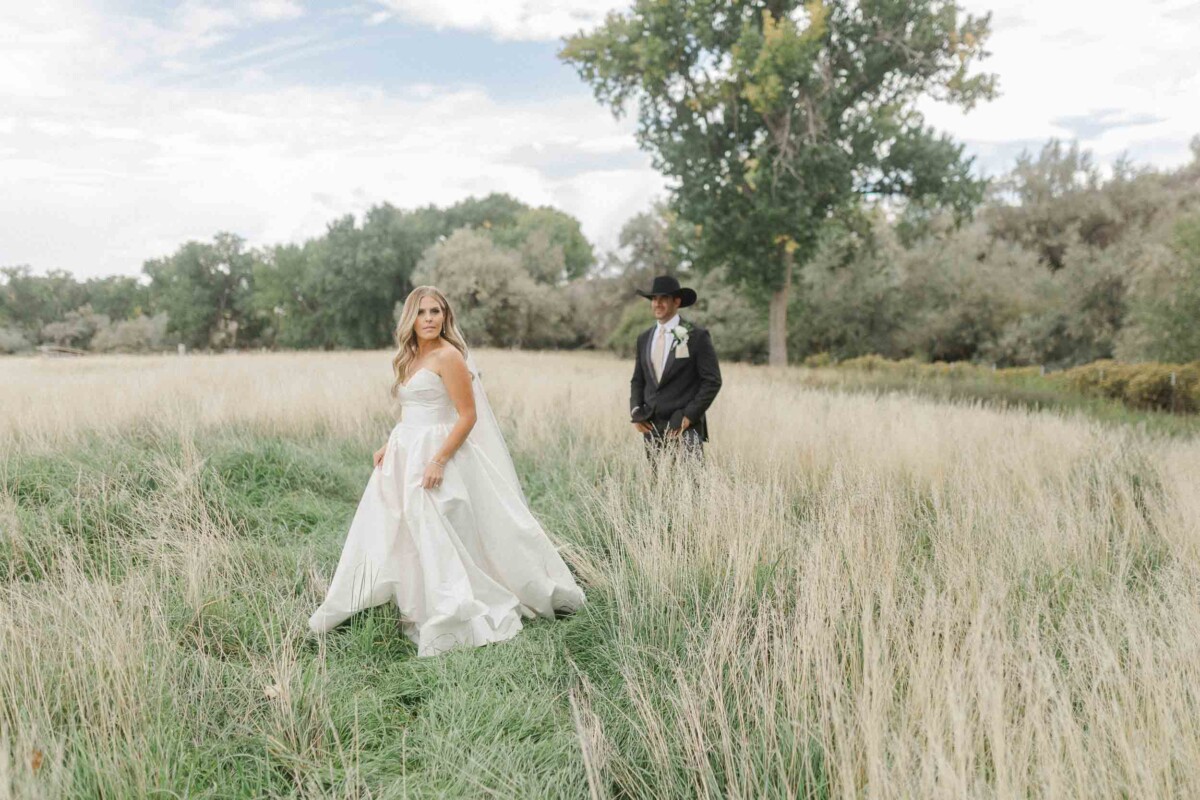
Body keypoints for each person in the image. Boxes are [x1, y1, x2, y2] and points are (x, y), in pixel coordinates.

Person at [308, 286, 586, 657]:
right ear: (411, 318)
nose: (429, 319)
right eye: (422, 312)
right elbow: (412, 410)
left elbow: (467, 416)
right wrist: (390, 444)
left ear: (445, 317)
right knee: (397, 526)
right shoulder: (408, 357)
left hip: (439, 452)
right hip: (404, 452)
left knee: (437, 525)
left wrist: (438, 460)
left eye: (436, 312)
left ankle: (450, 604)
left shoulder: (449, 356)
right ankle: (407, 598)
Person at [629, 275, 722, 460]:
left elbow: (712, 381)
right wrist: (636, 412)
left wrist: (690, 415)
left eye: (663, 298)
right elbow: (638, 379)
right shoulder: (644, 338)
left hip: (685, 427)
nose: (657, 303)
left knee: (691, 486)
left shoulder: (697, 335)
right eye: (654, 299)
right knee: (659, 486)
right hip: (652, 426)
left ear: (677, 302)